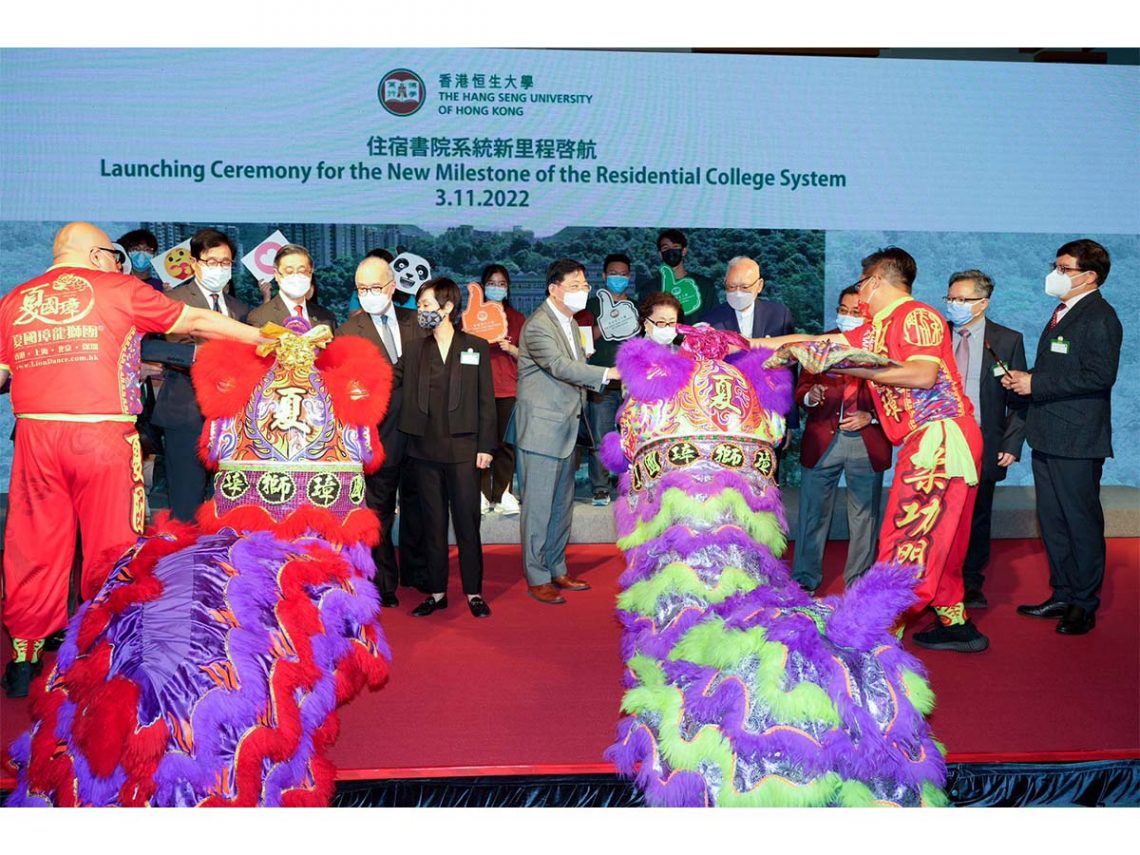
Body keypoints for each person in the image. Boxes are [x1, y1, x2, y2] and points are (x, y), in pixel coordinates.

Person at [0, 222, 265, 698]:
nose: (120, 263)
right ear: (99, 254)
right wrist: (262, 337)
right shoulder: (117, 288)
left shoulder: (15, 299)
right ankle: (105, 651)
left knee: (33, 543)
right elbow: (197, 322)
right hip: (102, 436)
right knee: (111, 544)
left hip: (37, 436)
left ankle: (22, 660)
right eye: (116, 256)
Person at [754, 247, 987, 653]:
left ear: (876, 281)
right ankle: (955, 622)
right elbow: (817, 342)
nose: (859, 295)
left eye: (862, 284)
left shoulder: (915, 315)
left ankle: (881, 626)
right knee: (944, 538)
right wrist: (749, 344)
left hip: (939, 436)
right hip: (930, 438)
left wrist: (846, 365)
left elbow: (923, 373)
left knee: (909, 534)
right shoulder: (877, 327)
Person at [1003, 239, 1122, 636]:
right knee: (1053, 522)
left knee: (1080, 522)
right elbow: (1061, 366)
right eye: (1056, 266)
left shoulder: (1100, 317)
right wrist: (1024, 380)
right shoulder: (1062, 311)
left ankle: (1084, 604)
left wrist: (1036, 382)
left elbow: (1098, 376)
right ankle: (1063, 592)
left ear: (1089, 276)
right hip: (1048, 434)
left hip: (1077, 439)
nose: (1056, 275)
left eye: (1065, 268)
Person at [514, 259, 619, 604]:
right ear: (554, 289)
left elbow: (576, 368)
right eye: (575, 285)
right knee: (539, 508)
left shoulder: (571, 323)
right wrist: (610, 375)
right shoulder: (538, 326)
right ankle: (537, 575)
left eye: (585, 285)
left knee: (562, 506)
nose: (582, 291)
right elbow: (560, 367)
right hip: (542, 431)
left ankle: (557, 567)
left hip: (567, 428)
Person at [397, 278, 496, 618]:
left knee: (468, 524)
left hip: (465, 449)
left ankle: (473, 592)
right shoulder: (413, 350)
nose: (421, 311)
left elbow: (487, 400)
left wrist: (486, 446)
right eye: (420, 305)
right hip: (423, 450)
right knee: (433, 525)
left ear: (448, 307)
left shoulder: (476, 346)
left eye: (426, 305)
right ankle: (437, 592)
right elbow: (388, 382)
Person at [336, 256, 429, 609]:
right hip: (378, 434)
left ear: (391, 287)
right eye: (362, 289)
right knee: (380, 511)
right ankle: (384, 581)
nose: (368, 295)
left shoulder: (416, 322)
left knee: (419, 507)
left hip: (420, 433)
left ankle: (417, 572)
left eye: (375, 288)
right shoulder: (348, 331)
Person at [791, 286, 892, 594]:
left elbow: (896, 396)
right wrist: (811, 395)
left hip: (866, 442)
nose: (847, 317)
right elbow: (800, 389)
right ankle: (805, 579)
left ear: (868, 313)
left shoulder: (883, 347)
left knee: (865, 518)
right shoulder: (821, 344)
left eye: (854, 311)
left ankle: (859, 585)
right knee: (812, 513)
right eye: (843, 310)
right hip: (823, 440)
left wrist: (871, 417)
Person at [151, 228, 249, 522]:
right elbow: (175, 346)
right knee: (187, 503)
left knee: (231, 502)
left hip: (235, 418)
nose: (219, 268)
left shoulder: (241, 309)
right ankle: (186, 564)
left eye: (225, 263)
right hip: (187, 412)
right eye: (211, 261)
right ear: (194, 263)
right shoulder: (174, 302)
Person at [943, 269, 1027, 609]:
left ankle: (971, 580)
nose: (955, 305)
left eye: (963, 300)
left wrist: (1011, 443)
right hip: (940, 437)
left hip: (982, 439)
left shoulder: (1007, 340)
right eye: (950, 299)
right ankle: (935, 574)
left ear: (983, 303)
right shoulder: (936, 336)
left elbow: (1019, 400)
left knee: (976, 514)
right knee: (937, 512)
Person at [704, 255, 799, 429]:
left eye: (745, 287)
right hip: (727, 415)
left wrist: (789, 422)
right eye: (731, 286)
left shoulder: (779, 316)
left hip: (769, 413)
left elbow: (790, 370)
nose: (737, 293)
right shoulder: (711, 320)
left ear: (759, 285)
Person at [580, 253, 639, 506]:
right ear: (604, 276)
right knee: (601, 437)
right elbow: (581, 344)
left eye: (623, 274)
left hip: (631, 384)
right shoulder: (590, 307)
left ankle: (631, 484)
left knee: (633, 437)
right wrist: (604, 327)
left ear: (629, 277)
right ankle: (601, 488)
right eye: (613, 273)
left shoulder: (636, 307)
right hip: (600, 383)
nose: (618, 277)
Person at [479, 264, 526, 515]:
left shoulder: (518, 319)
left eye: (501, 284)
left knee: (507, 445)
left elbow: (528, 357)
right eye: (492, 283)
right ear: (483, 286)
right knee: (481, 444)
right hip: (480, 390)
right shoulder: (472, 317)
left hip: (509, 389)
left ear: (508, 288)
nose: (496, 288)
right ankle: (482, 494)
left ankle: (504, 493)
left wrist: (510, 349)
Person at [247, 244, 337, 330]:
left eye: (302, 271)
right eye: (289, 272)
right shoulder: (260, 317)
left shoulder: (327, 318)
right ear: (276, 274)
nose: (296, 277)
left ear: (310, 272)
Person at [653, 229, 719, 324]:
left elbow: (715, 319)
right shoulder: (649, 289)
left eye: (675, 247)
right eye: (665, 248)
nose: (671, 251)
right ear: (660, 254)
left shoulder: (705, 285)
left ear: (684, 251)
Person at [117, 228, 165, 293]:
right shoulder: (119, 284)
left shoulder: (161, 287)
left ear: (154, 255)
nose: (141, 253)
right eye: (136, 249)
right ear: (126, 253)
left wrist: (169, 294)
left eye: (147, 250)